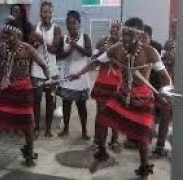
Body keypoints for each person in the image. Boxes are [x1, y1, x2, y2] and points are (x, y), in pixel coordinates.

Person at [67, 17, 173, 179]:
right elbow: (96, 62)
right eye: (124, 33)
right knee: (103, 120)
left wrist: (167, 96)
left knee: (142, 137)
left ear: (140, 35)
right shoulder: (117, 48)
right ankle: (102, 154)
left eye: (130, 34)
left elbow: (165, 77)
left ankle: (144, 168)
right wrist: (79, 74)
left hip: (143, 97)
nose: (125, 37)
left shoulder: (150, 52)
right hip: (122, 94)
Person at [0, 19, 50, 167]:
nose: (6, 37)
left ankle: (30, 154)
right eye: (4, 34)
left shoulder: (27, 49)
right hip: (6, 90)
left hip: (23, 90)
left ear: (18, 35)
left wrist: (48, 76)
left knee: (27, 122)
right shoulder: (1, 49)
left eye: (9, 34)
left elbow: (42, 64)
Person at [56, 10, 92, 140]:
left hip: (81, 76)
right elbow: (58, 56)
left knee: (81, 105)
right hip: (67, 76)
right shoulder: (63, 39)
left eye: (74, 23)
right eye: (69, 23)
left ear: (79, 24)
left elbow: (89, 53)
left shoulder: (85, 37)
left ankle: (84, 131)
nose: (71, 26)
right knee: (66, 104)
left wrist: (75, 45)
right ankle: (65, 129)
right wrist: (68, 50)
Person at [88, 21, 123, 152]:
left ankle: (114, 141)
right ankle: (97, 141)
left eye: (118, 28)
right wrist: (100, 53)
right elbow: (93, 59)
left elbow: (124, 64)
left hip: (118, 82)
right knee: (100, 112)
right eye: (113, 27)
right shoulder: (101, 42)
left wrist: (112, 55)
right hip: (103, 80)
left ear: (122, 30)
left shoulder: (124, 45)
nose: (115, 30)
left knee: (115, 112)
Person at [29, 1, 62, 138]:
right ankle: (36, 127)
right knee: (35, 101)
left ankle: (48, 129)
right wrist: (36, 43)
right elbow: (30, 48)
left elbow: (54, 49)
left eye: (49, 11)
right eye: (44, 11)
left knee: (50, 101)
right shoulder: (34, 27)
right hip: (36, 69)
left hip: (52, 70)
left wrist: (41, 39)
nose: (46, 14)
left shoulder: (57, 29)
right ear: (40, 13)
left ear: (52, 13)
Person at [150, 20, 176, 159]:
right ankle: (160, 148)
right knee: (165, 116)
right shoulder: (168, 43)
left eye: (175, 27)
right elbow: (164, 62)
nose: (173, 29)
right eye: (172, 26)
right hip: (170, 85)